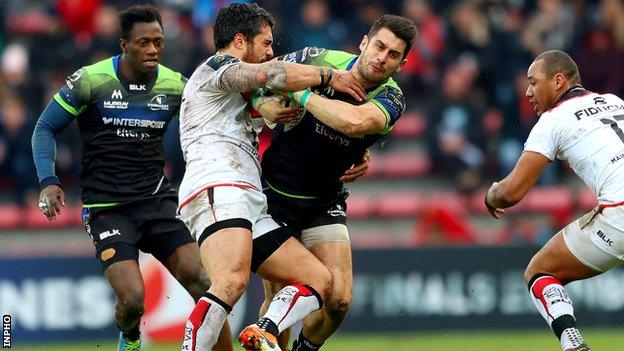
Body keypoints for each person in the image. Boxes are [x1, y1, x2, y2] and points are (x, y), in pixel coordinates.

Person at [31, 5, 232, 351]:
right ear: (124, 44)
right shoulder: (91, 80)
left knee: (203, 282)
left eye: (158, 42)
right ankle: (130, 336)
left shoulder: (174, 87)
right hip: (107, 207)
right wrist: (48, 179)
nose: (153, 49)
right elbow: (44, 128)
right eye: (143, 43)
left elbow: (213, 119)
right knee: (134, 300)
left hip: (156, 201)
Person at [176, 3, 367, 351]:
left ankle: (263, 331)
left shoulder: (236, 91)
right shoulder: (218, 67)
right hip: (217, 185)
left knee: (319, 281)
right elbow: (268, 76)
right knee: (230, 283)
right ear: (238, 41)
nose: (270, 51)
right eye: (264, 43)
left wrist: (356, 150)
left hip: (250, 199)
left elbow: (264, 98)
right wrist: (328, 75)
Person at [253, 14, 416, 351]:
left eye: (393, 55)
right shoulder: (318, 59)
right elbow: (260, 75)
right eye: (380, 46)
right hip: (277, 195)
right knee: (280, 301)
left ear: (401, 64)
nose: (382, 58)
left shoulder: (392, 98)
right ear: (364, 43)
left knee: (339, 301)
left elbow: (354, 123)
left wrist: (300, 95)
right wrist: (263, 102)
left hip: (325, 201)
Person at [483, 49, 624, 351]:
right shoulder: (614, 101)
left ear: (558, 81)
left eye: (533, 83)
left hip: (619, 215)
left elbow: (512, 192)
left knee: (540, 271)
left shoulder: (552, 120)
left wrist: (491, 194)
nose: (527, 91)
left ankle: (572, 343)